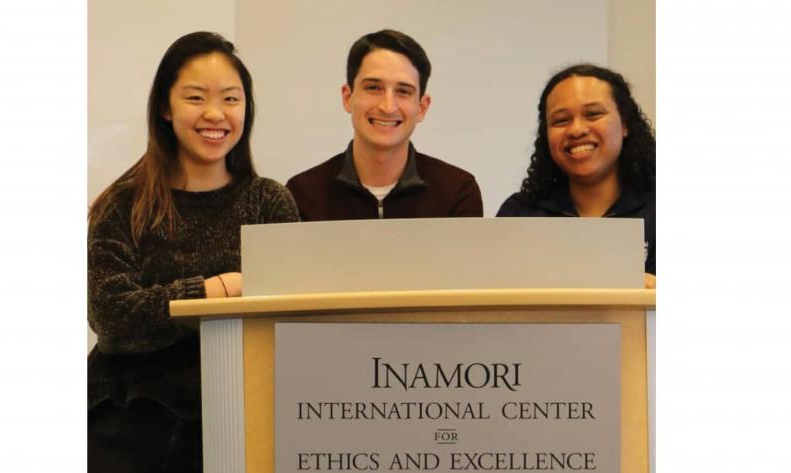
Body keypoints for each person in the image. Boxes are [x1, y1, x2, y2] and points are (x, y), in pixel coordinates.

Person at [87, 32, 298, 472]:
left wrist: (171, 307)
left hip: (243, 417)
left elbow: (290, 317)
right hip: (127, 424)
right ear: (165, 108)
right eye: (196, 97)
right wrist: (220, 289)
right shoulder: (122, 205)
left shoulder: (269, 202)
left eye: (231, 99)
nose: (215, 114)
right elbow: (112, 318)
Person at [286, 29, 483, 220]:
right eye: (373, 88)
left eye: (403, 91)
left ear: (422, 107)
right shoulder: (303, 194)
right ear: (347, 97)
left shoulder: (457, 193)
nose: (388, 107)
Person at [496, 64, 656, 288]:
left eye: (593, 114)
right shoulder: (519, 214)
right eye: (561, 120)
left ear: (625, 125)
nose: (576, 130)